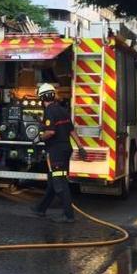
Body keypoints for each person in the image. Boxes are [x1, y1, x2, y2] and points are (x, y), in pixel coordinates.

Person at [30, 83, 88, 223]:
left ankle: (69, 215)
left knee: (59, 183)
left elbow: (51, 131)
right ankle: (40, 209)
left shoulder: (49, 111)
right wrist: (80, 147)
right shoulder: (63, 110)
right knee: (53, 181)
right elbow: (71, 130)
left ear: (42, 98)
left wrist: (38, 138)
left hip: (56, 152)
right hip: (66, 149)